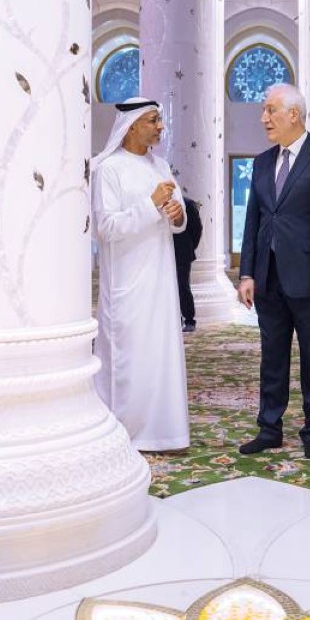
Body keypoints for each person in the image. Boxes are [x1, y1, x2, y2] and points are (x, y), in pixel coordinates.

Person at [236, 83, 310, 459]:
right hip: (268, 279)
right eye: (264, 110)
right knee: (272, 357)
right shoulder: (261, 162)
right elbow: (253, 222)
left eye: (270, 110)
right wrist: (247, 274)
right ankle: (269, 428)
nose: (263, 118)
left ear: (294, 114)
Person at [91, 97, 190, 451]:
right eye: (153, 120)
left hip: (161, 280)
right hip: (127, 283)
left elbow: (178, 221)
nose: (160, 127)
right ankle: (125, 431)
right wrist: (151, 204)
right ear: (131, 126)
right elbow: (106, 228)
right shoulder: (109, 169)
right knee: (129, 358)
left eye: (159, 120)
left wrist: (177, 215)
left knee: (160, 355)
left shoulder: (160, 165)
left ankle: (164, 432)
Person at [172, 195, 203, 332]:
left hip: (182, 252)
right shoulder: (159, 204)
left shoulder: (187, 203)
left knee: (182, 285)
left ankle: (189, 319)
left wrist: (189, 247)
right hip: (164, 253)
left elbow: (197, 229)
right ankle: (174, 319)